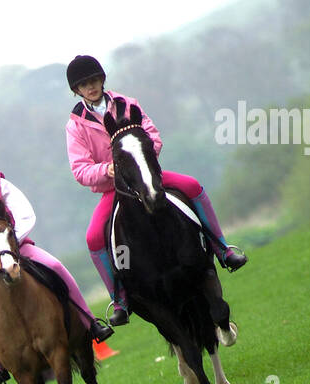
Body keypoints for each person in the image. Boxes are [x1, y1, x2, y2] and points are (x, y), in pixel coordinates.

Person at [65, 55, 247, 326]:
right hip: (114, 189)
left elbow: (152, 136)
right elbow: (80, 170)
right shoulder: (75, 125)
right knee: (94, 238)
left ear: (102, 79)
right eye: (83, 84)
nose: (90, 87)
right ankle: (120, 298)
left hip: (147, 175)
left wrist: (139, 163)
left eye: (93, 80)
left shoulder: (127, 104)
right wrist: (107, 170)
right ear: (76, 90)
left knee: (192, 186)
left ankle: (222, 249)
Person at [0, 135, 113, 384]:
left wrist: (11, 244)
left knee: (55, 267)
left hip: (18, 248)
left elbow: (25, 214)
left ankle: (90, 322)